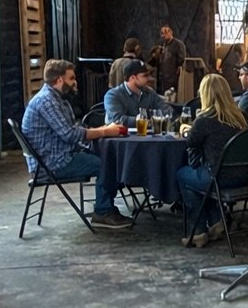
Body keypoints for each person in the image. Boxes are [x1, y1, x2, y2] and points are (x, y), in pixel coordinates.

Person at [21, 59, 132, 230]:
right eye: (71, 78)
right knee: (106, 164)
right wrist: (104, 132)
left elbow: (72, 130)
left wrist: (103, 128)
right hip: (51, 164)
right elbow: (70, 135)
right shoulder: (47, 101)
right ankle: (103, 212)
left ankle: (106, 205)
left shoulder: (58, 99)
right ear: (59, 80)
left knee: (109, 157)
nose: (75, 82)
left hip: (58, 156)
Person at [176, 73, 248, 247]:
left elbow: (191, 142)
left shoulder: (205, 120)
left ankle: (199, 232)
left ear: (204, 94)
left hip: (221, 178)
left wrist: (186, 129)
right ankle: (217, 222)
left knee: (184, 175)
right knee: (204, 181)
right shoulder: (241, 116)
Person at [157, 25, 187, 93]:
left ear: (171, 32)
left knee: (172, 93)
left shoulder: (178, 44)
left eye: (166, 32)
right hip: (164, 75)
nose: (164, 35)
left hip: (173, 74)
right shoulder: (164, 44)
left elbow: (181, 58)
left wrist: (178, 66)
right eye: (162, 33)